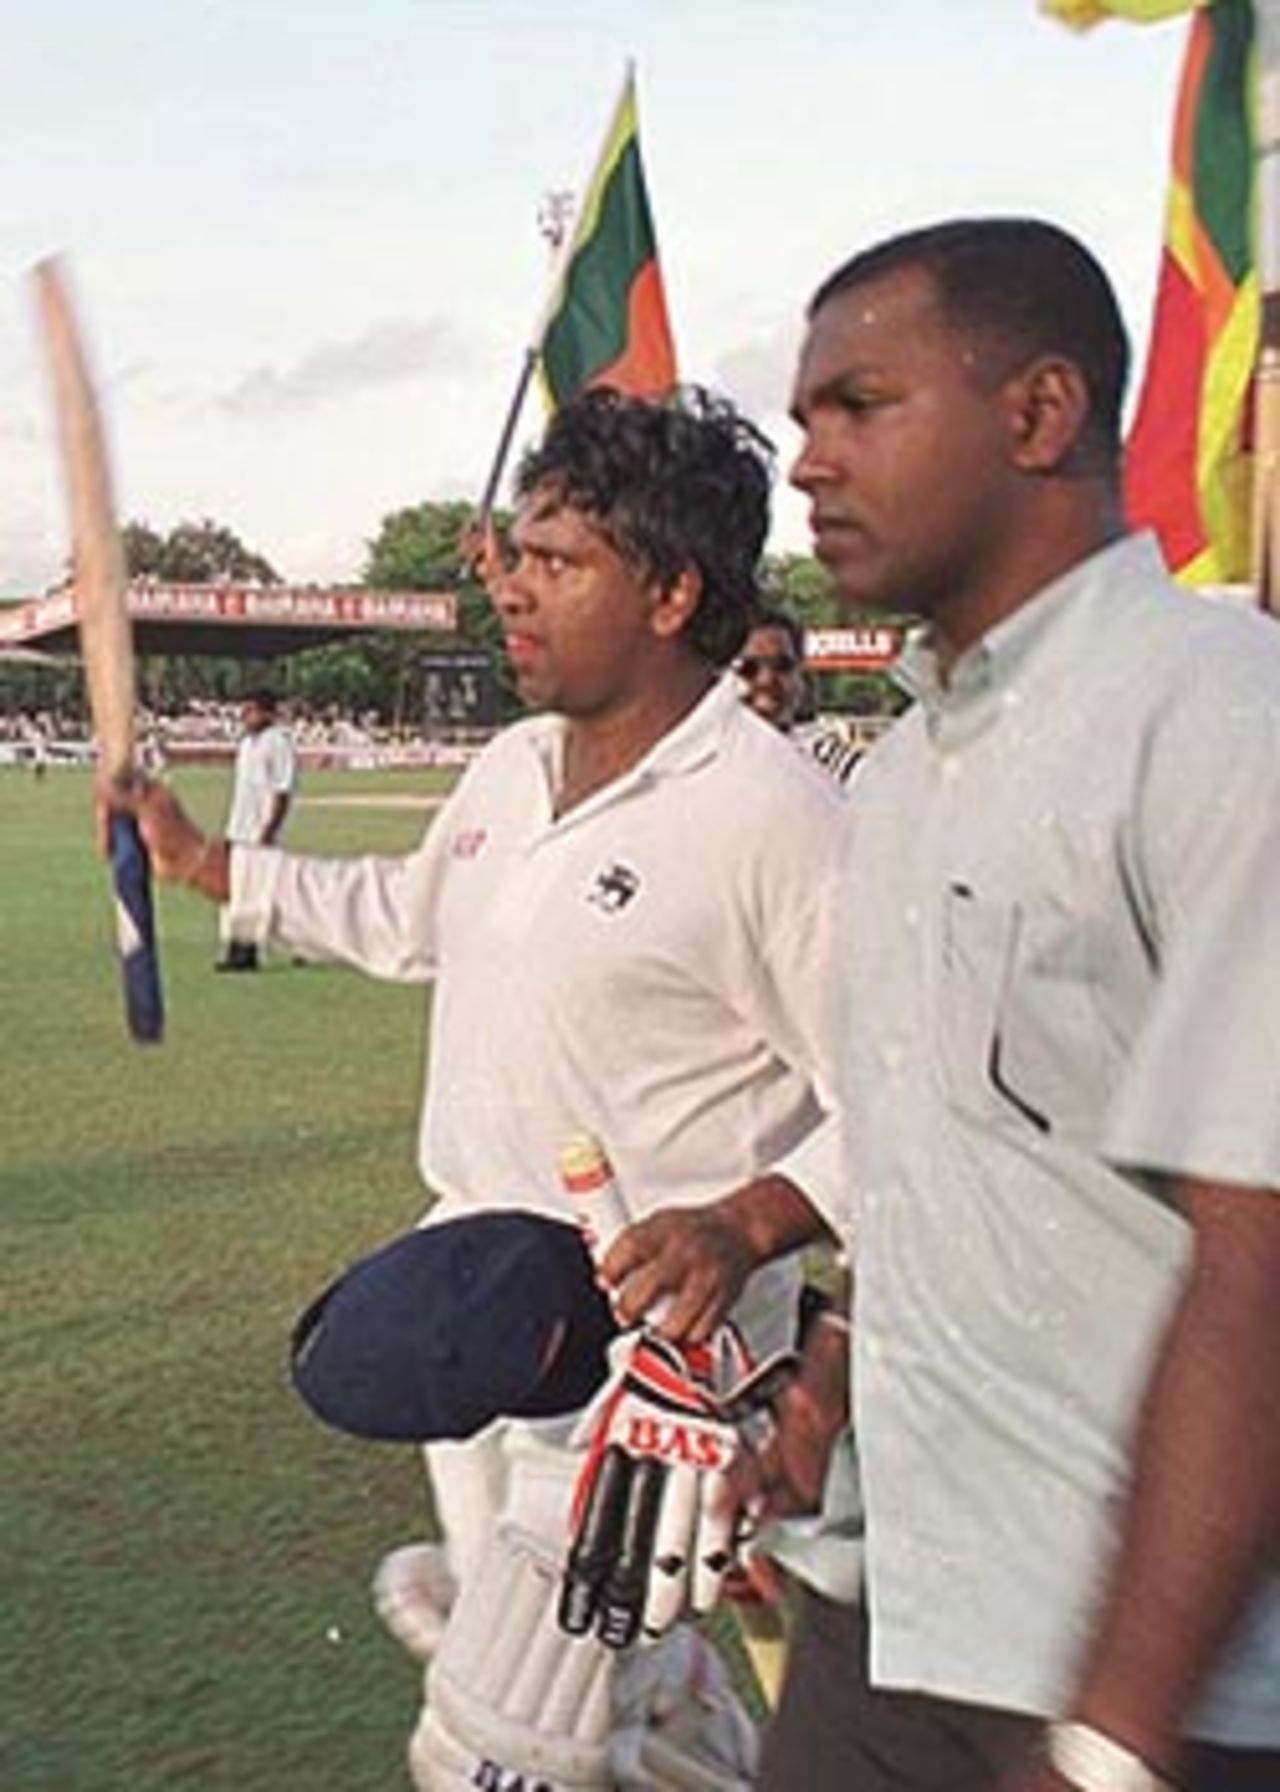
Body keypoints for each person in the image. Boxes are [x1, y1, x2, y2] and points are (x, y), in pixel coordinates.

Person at [116, 386, 846, 1789]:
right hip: (471, 1305)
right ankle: (686, 1718)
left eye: (557, 562)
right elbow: (409, 916)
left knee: (496, 1750)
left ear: (671, 589)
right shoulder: (514, 765)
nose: (511, 590)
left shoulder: (779, 818)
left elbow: (905, 1104)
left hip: (649, 1368)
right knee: (608, 1722)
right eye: (516, 554)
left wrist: (748, 1223)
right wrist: (212, 865)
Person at [752, 217, 1280, 1792]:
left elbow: (1260, 1261)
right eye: (801, 420)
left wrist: (1114, 1740)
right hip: (888, 1611)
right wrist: (836, 1373)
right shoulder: (908, 761)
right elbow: (945, 1149)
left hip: (1148, 1680)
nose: (808, 463)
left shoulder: (1221, 720)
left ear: (1040, 415)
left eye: (860, 406)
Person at [735, 606, 863, 784]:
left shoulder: (833, 765)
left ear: (801, 678)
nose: (766, 680)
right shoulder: (693, 761)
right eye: (747, 669)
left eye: (783, 666)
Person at [215, 688, 295, 971]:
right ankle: (241, 950)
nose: (244, 716)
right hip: (239, 830)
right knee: (239, 893)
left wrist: (269, 831)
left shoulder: (278, 743)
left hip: (259, 833)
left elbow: (282, 792)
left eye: (250, 710)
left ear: (267, 712)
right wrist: (230, 832)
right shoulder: (247, 744)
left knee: (260, 893)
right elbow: (241, 794)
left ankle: (251, 951)